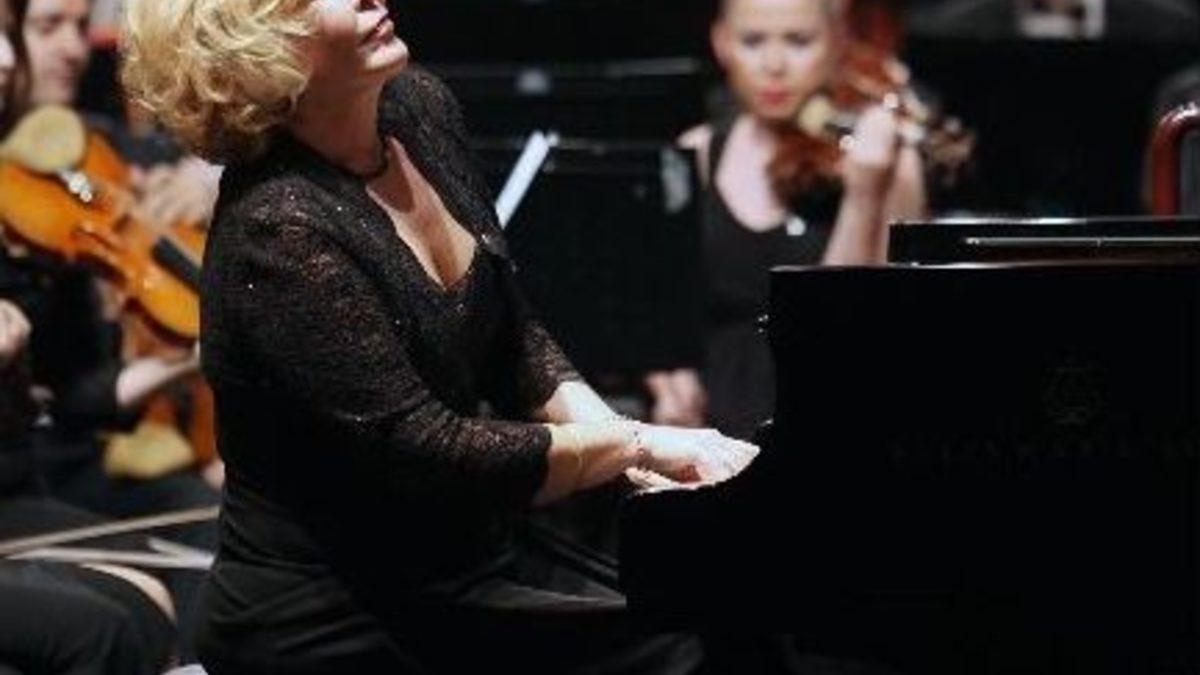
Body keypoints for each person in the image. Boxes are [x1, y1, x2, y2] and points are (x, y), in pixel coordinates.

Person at [122, 0, 758, 672]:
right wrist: (639, 441)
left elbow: (510, 331)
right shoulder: (278, 232)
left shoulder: (415, 108)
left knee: (727, 609)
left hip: (464, 551)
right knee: (685, 650)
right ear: (258, 47)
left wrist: (631, 463)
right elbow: (435, 455)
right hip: (332, 613)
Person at [646, 0, 928, 440]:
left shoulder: (885, 164)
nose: (774, 65)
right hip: (710, 439)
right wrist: (667, 378)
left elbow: (849, 332)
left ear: (836, 42)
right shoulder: (696, 152)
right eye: (752, 41)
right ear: (721, 43)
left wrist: (863, 196)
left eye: (799, 41)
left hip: (832, 433)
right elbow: (660, 308)